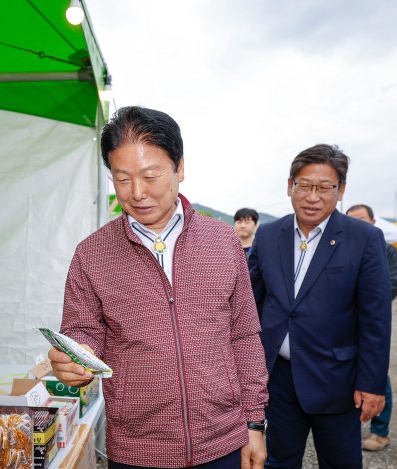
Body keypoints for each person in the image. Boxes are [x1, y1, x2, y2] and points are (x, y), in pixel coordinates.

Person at [48, 106, 269, 469]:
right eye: (122, 179)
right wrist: (74, 358)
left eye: (150, 175)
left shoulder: (222, 241)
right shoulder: (92, 254)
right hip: (137, 450)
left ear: (179, 168)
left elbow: (244, 335)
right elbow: (82, 331)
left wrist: (254, 422)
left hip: (223, 440)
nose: (136, 193)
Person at [248, 144, 391, 468]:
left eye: (325, 187)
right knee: (279, 460)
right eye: (305, 185)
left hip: (337, 379)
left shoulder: (364, 238)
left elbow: (375, 317)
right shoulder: (269, 234)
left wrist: (371, 383)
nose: (313, 197)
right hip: (279, 377)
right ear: (290, 186)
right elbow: (250, 300)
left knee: (340, 462)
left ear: (340, 190)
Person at [345, 203, 397, 452]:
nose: (357, 224)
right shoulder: (343, 249)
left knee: (377, 377)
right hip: (341, 329)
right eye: (351, 220)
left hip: (368, 327)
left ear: (373, 221)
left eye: (361, 219)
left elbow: (387, 289)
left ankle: (380, 431)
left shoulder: (386, 251)